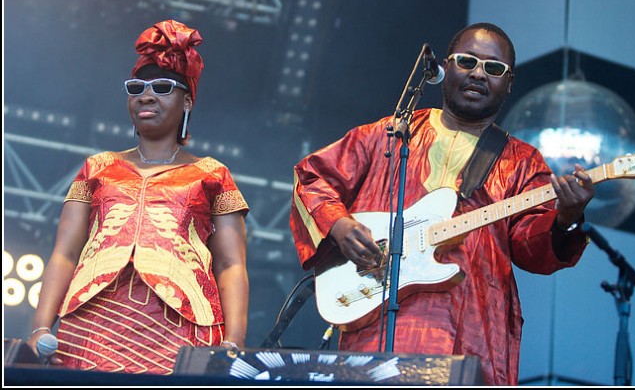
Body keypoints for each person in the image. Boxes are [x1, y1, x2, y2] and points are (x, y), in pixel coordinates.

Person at [289, 22, 595, 386]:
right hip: (377, 321)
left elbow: (532, 247)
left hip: (472, 331)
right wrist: (340, 225)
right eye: (467, 61)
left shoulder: (523, 162)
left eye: (493, 68)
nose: (479, 74)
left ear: (508, 83)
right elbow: (311, 177)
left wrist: (567, 218)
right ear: (446, 66)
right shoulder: (387, 135)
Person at [27, 20, 250, 375]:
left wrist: (234, 344)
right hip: (91, 324)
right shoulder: (97, 167)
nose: (146, 96)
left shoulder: (212, 173)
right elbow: (64, 254)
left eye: (162, 87)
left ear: (187, 100)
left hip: (182, 326)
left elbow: (231, 265)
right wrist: (40, 328)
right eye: (136, 87)